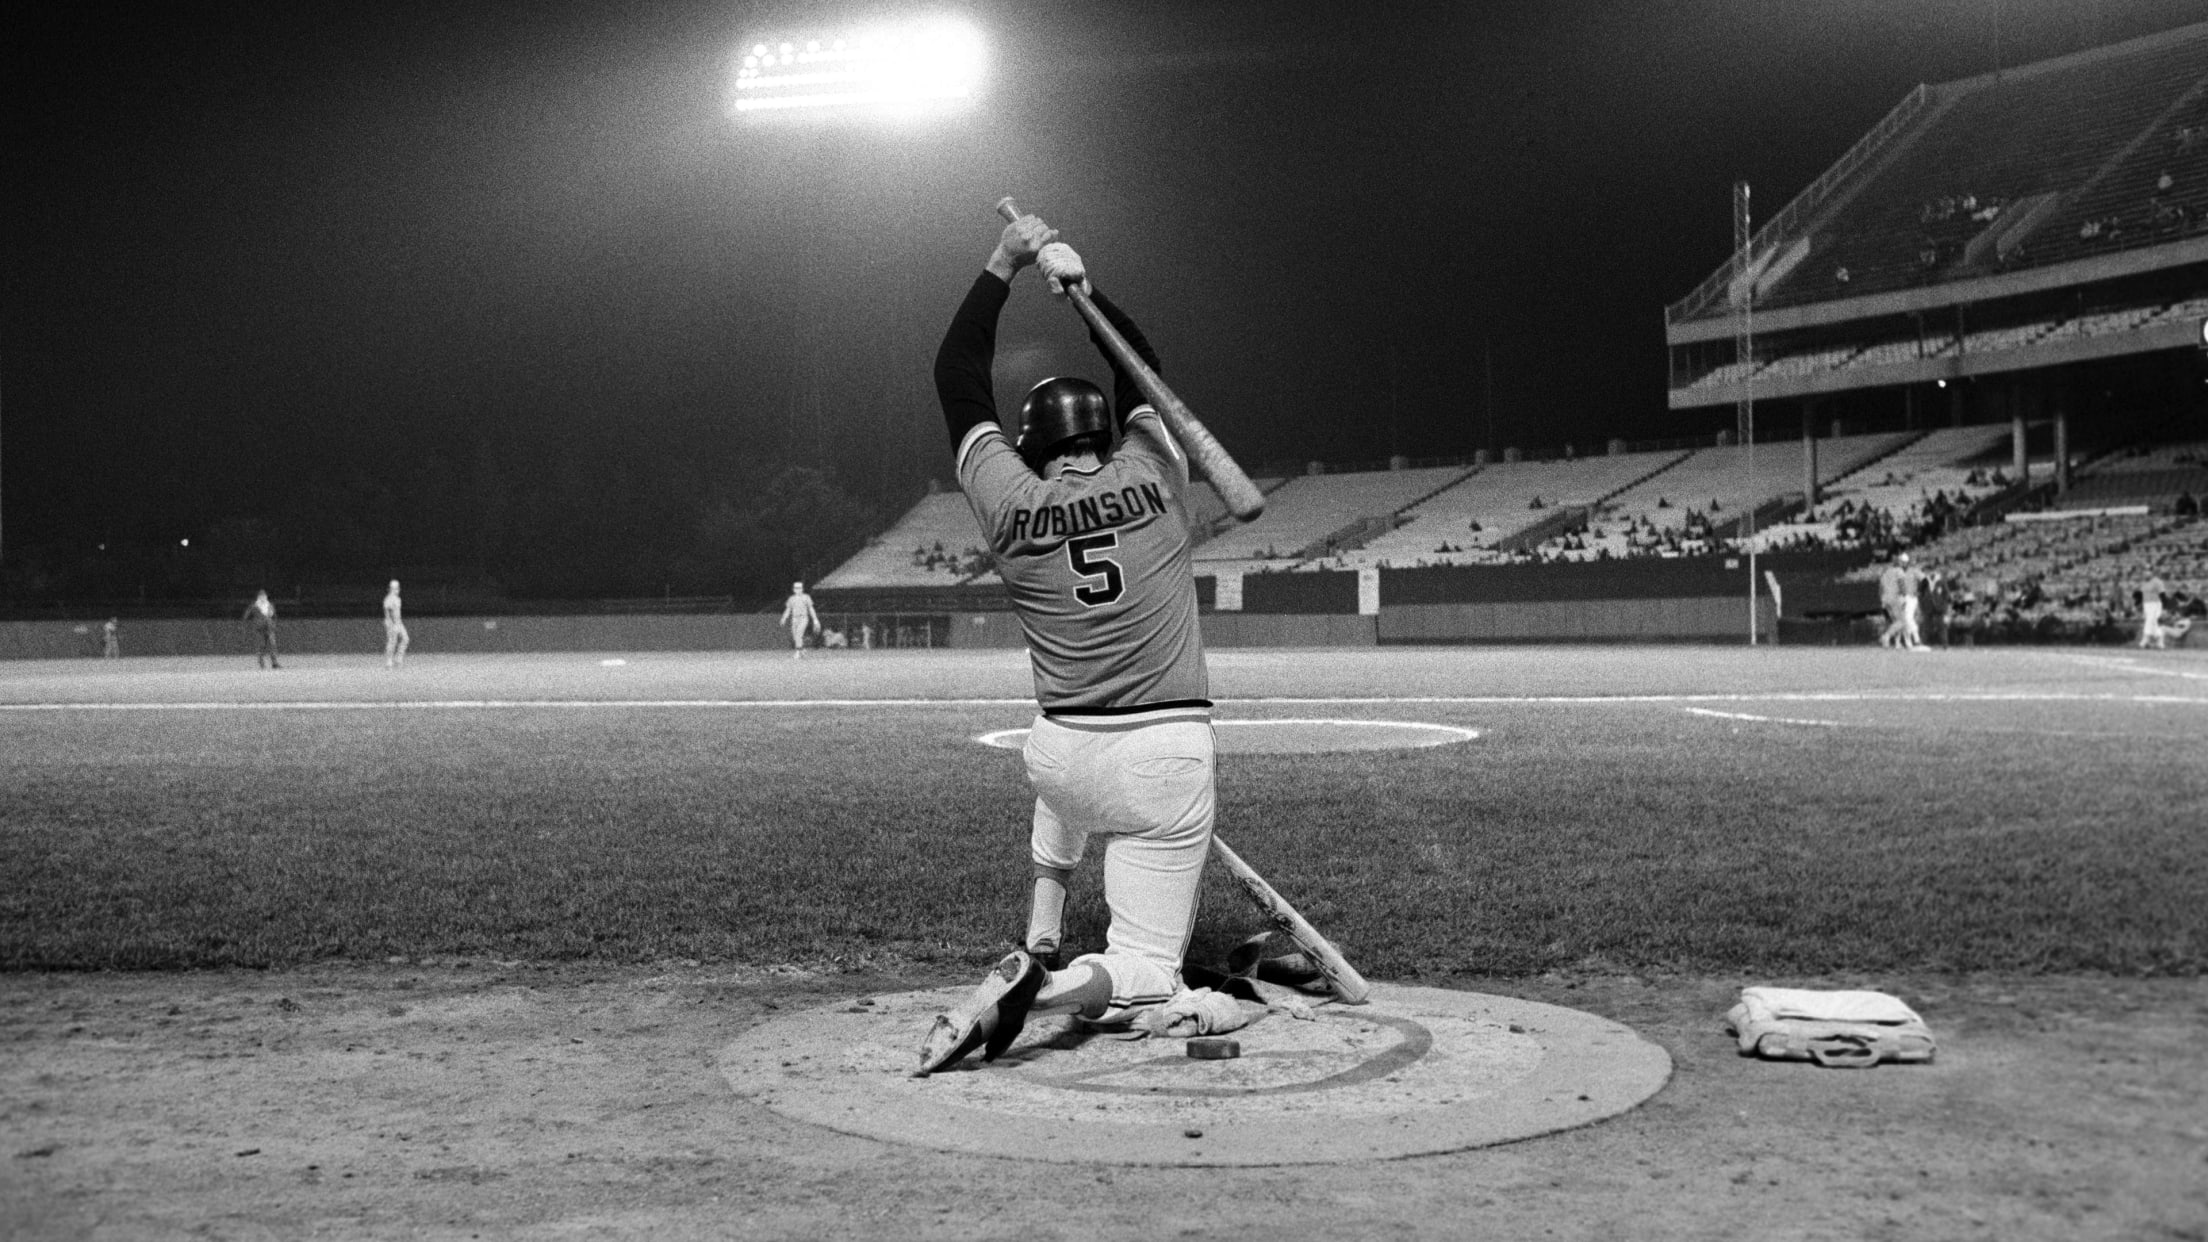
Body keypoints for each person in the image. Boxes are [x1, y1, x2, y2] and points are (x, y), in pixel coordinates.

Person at [914, 214, 1220, 1076]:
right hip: (1164, 754)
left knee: (1068, 756)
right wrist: (1084, 292)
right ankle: (1037, 992)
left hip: (1059, 759)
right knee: (1148, 972)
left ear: (1033, 447)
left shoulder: (1007, 502)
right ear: (1104, 435)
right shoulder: (1157, 475)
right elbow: (1140, 365)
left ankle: (1044, 923)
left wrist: (1003, 267)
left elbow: (956, 374)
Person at [778, 581, 819, 659]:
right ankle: (802, 649)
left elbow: (811, 608)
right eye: (796, 588)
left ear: (802, 589)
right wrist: (784, 618)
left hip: (803, 618)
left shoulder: (806, 597)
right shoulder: (791, 599)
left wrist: (815, 619)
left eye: (799, 588)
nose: (798, 589)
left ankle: (797, 652)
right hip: (794, 618)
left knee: (799, 634)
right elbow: (788, 609)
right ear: (794, 589)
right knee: (795, 636)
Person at [243, 590, 281, 669]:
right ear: (258, 597)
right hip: (260, 629)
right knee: (261, 645)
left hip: (269, 628)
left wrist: (273, 622)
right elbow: (246, 616)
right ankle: (261, 662)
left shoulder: (269, 605)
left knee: (272, 645)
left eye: (264, 596)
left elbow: (274, 615)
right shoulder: (254, 606)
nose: (263, 598)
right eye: (261, 596)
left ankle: (274, 663)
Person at [382, 580, 410, 668]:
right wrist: (391, 623)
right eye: (395, 588)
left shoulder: (398, 599)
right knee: (392, 642)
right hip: (392, 623)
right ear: (391, 589)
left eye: (398, 588)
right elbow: (388, 611)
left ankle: (398, 658)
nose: (397, 590)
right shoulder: (388, 599)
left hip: (398, 622)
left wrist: (398, 622)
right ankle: (389, 661)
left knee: (405, 639)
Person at [2139, 571, 2169, 649]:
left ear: (2151, 572)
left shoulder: (2157, 582)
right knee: (2153, 623)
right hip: (2146, 604)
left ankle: (2145, 639)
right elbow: (2143, 596)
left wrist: (2164, 608)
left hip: (2155, 604)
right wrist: (2143, 609)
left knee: (2151, 621)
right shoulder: (2144, 583)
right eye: (2144, 572)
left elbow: (2163, 595)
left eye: (2147, 572)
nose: (2145, 574)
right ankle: (2159, 642)